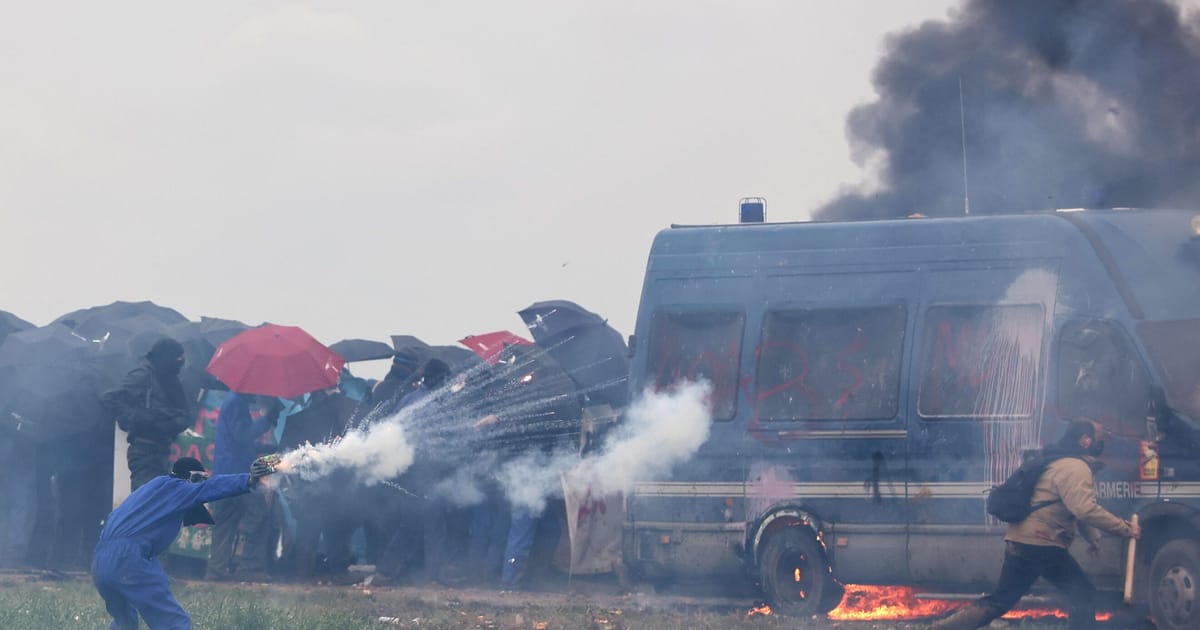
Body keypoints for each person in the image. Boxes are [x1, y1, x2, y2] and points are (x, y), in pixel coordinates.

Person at [930, 420, 1141, 630]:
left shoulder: (1057, 462)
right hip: (1043, 543)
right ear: (1086, 441)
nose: (1102, 441)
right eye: (1099, 436)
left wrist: (1093, 539)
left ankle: (943, 628)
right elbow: (1084, 509)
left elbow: (1074, 509)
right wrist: (1125, 528)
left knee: (1001, 601)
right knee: (1083, 593)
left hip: (1022, 540)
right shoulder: (1076, 467)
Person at [92, 456, 274, 630]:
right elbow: (213, 486)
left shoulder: (151, 489)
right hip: (129, 559)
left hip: (100, 562)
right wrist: (249, 480)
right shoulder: (178, 488)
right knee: (175, 623)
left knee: (125, 623)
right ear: (192, 478)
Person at [206, 393, 281, 582]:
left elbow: (238, 441)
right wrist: (267, 420)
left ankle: (217, 570)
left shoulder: (233, 402)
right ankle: (251, 566)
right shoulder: (236, 403)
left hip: (224, 473)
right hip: (238, 475)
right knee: (259, 515)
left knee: (225, 522)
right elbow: (242, 435)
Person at [103, 338, 191, 490]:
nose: (180, 363)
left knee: (156, 502)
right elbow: (111, 399)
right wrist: (139, 418)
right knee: (144, 503)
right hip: (143, 450)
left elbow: (185, 415)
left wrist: (167, 423)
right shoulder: (143, 375)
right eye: (177, 358)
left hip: (162, 451)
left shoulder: (172, 380)